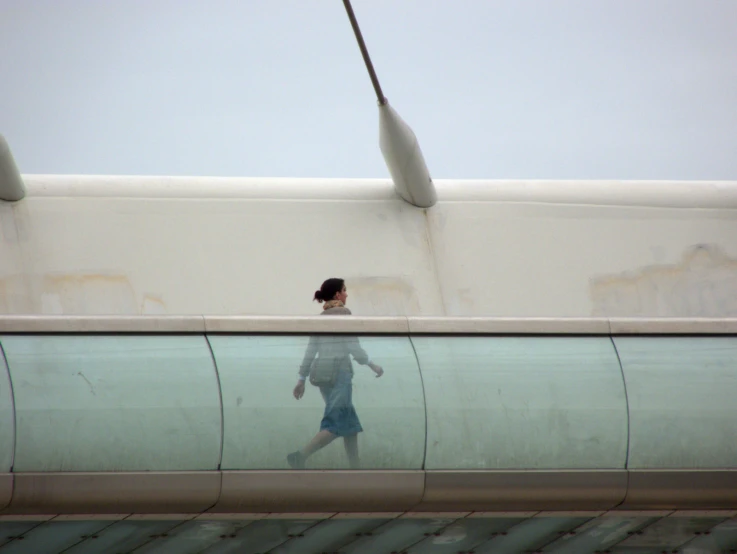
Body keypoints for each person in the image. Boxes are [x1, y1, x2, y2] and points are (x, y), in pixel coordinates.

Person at [288, 278, 384, 469]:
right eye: (345, 290)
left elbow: (310, 350)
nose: (347, 294)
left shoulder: (320, 319)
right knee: (334, 422)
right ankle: (300, 456)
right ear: (337, 295)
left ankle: (355, 468)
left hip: (323, 376)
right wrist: (372, 364)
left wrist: (301, 379)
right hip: (340, 374)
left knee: (349, 426)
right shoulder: (344, 313)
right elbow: (352, 345)